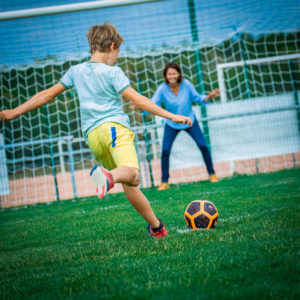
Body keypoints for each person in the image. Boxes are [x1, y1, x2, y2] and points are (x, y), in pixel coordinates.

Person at [0, 23, 192, 238]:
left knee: (129, 184)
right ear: (112, 46)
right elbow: (139, 100)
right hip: (114, 130)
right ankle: (108, 177)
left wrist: (14, 112)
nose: (117, 57)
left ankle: (157, 227)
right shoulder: (113, 72)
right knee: (134, 176)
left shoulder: (76, 71)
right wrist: (173, 116)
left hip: (93, 138)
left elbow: (47, 94)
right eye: (117, 52)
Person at [149, 62, 220, 191]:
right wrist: (139, 106)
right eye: (169, 74)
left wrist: (208, 97)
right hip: (171, 124)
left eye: (174, 73)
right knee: (165, 151)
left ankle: (212, 174)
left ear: (179, 74)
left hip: (189, 121)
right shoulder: (162, 89)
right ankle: (164, 182)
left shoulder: (186, 85)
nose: (172, 76)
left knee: (203, 146)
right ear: (165, 75)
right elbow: (152, 104)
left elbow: (198, 98)